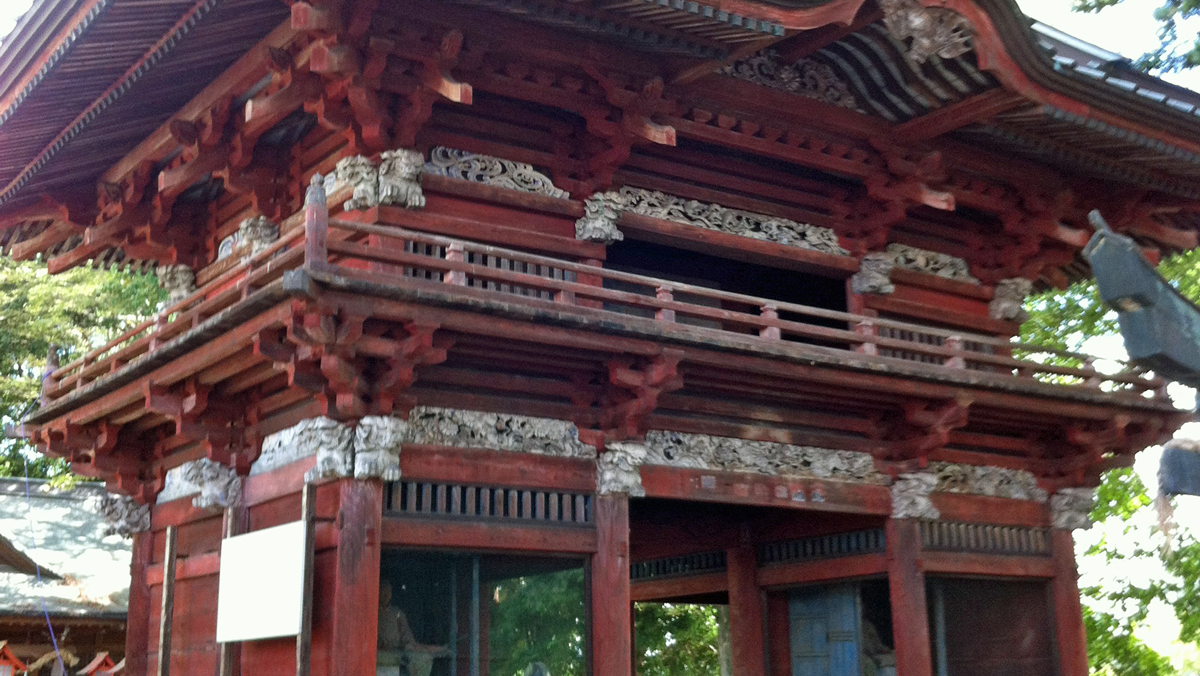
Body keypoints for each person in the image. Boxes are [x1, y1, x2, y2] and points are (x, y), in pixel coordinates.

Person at [378, 580, 451, 676]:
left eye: (389, 591)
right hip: (375, 656)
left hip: (395, 657)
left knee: (422, 658)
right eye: (383, 591)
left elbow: (409, 643)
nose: (386, 595)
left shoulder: (397, 614)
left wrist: (435, 649)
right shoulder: (371, 612)